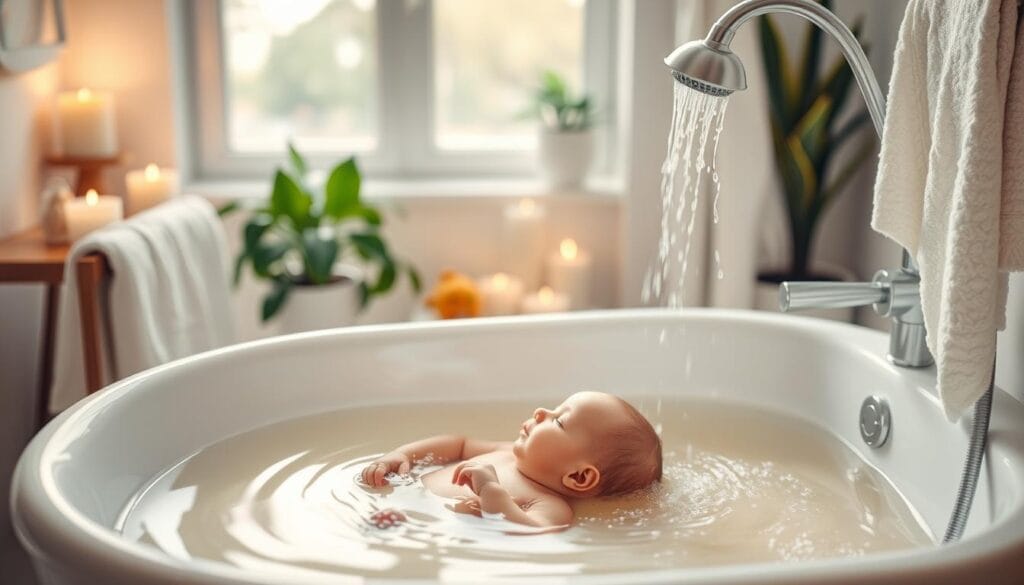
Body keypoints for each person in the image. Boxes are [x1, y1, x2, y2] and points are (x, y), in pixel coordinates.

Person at [361, 391, 662, 528]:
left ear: (579, 477)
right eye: (556, 409)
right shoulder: (505, 451)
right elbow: (457, 444)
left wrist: (492, 491)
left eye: (559, 422)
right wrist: (403, 456)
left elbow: (529, 529)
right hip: (396, 493)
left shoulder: (551, 506)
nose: (542, 412)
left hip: (418, 526)